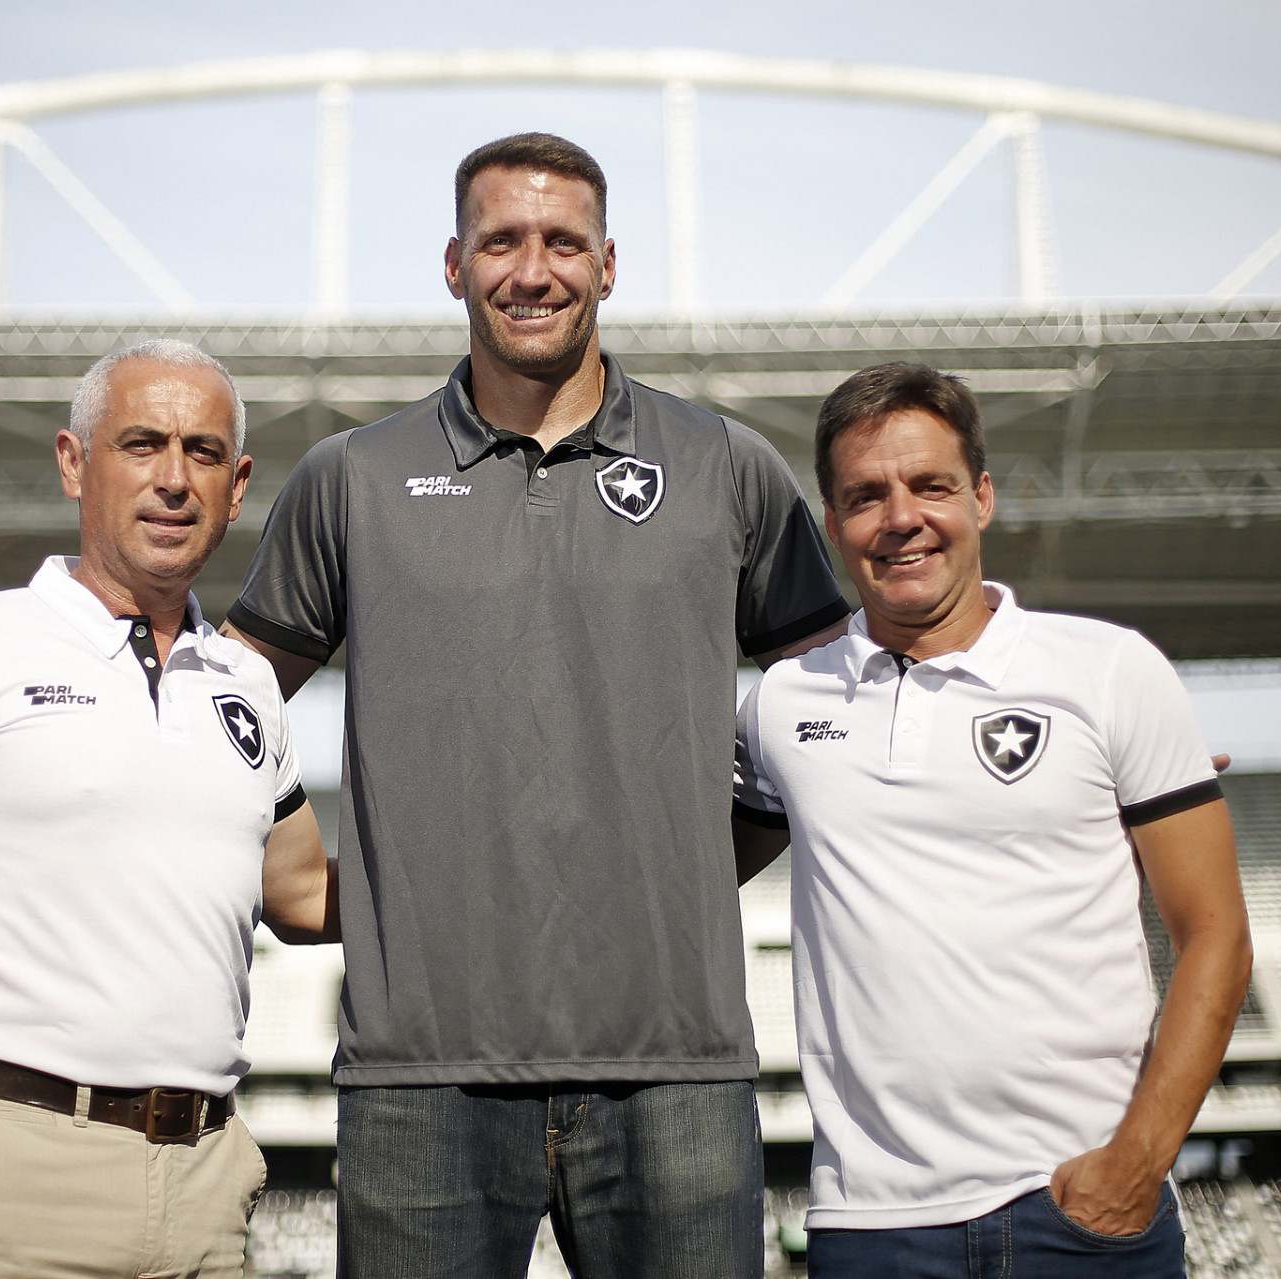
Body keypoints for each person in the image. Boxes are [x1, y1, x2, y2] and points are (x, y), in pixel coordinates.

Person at [220, 133, 848, 1278]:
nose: (534, 268)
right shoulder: (353, 476)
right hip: (421, 1077)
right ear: (454, 265)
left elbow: (839, 706)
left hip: (678, 1064)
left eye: (564, 242)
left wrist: (708, 858)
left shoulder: (725, 466)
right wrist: (294, 870)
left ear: (610, 265)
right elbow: (224, 705)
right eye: (502, 240)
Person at [0, 339, 337, 1279]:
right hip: (9, 1169)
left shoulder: (249, 683)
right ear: (72, 462)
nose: (174, 479)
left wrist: (481, 870)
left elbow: (300, 893)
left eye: (204, 453)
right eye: (141, 444)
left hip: (206, 1179)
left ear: (239, 481)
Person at [732, 362, 1252, 1277]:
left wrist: (1134, 1168)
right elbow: (674, 857)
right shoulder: (781, 703)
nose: (900, 517)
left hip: (1081, 1209)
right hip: (871, 1225)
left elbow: (1215, 933)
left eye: (930, 485)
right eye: (864, 495)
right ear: (831, 522)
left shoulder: (1109, 671)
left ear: (981, 496)